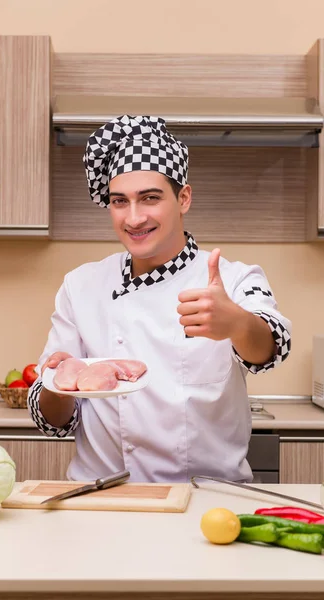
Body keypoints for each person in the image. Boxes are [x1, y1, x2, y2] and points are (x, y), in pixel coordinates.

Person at [28, 115, 291, 483]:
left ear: (183, 198)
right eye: (120, 201)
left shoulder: (232, 278)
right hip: (99, 499)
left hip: (204, 502)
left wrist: (235, 323)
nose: (134, 218)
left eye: (150, 198)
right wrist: (61, 383)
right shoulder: (81, 284)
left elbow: (272, 347)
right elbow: (53, 419)